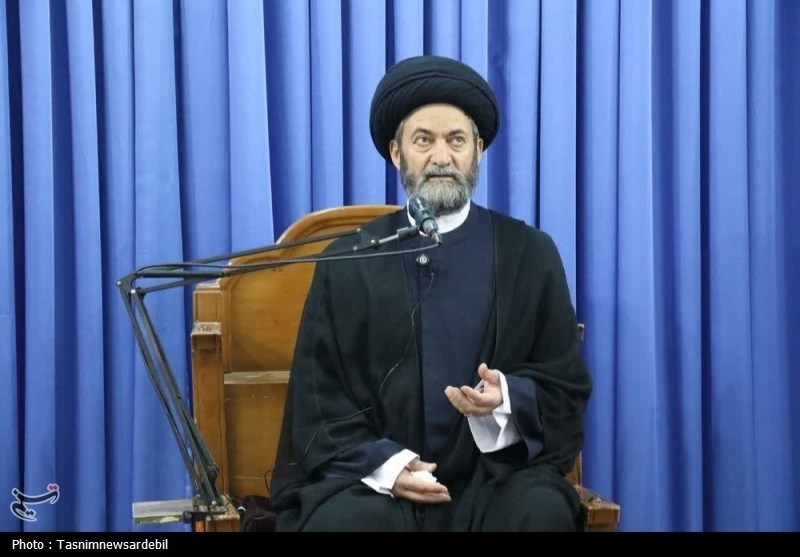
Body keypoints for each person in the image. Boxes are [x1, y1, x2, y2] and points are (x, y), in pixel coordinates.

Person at [269, 54, 592, 532]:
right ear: (396, 153)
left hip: (496, 479)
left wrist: (507, 398)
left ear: (478, 150)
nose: (442, 157)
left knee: (539, 512)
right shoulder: (348, 258)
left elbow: (564, 387)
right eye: (424, 140)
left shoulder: (530, 253)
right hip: (375, 483)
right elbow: (320, 401)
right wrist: (388, 467)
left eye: (456, 140)